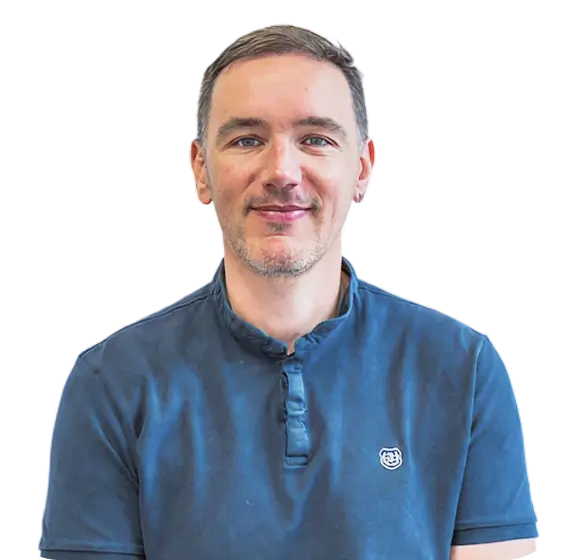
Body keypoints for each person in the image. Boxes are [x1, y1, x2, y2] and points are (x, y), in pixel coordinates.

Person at [38, 24, 538, 559]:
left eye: (315, 139)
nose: (281, 171)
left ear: (363, 169)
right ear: (200, 169)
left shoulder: (462, 368)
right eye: (247, 140)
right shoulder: (112, 382)